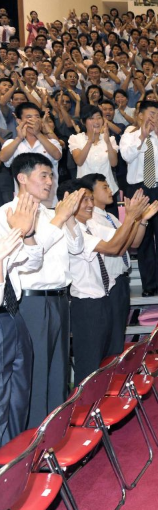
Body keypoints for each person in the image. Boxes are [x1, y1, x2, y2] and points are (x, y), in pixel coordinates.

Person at [0, 153, 84, 427]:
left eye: (52, 176)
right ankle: (34, 446)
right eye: (44, 176)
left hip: (60, 299)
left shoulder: (52, 213)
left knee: (58, 376)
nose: (50, 182)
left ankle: (57, 442)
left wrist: (68, 218)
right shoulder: (7, 214)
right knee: (35, 379)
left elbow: (77, 248)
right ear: (22, 179)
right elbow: (27, 258)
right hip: (31, 303)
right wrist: (59, 220)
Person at [59, 180, 153, 383]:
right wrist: (131, 217)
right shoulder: (72, 231)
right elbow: (112, 248)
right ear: (68, 201)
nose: (90, 204)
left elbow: (122, 246)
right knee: (90, 367)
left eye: (90, 199)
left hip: (104, 298)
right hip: (86, 305)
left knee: (110, 360)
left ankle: (105, 407)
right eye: (84, 200)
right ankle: (86, 412)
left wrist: (136, 219)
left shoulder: (91, 225)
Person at [84, 173, 154, 357]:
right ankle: (111, 381)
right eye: (105, 187)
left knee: (118, 335)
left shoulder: (110, 217)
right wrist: (133, 217)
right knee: (111, 341)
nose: (111, 191)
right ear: (91, 193)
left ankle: (117, 380)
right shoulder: (91, 220)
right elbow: (117, 246)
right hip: (109, 284)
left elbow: (133, 244)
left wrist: (141, 220)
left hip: (121, 280)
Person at [119, 100, 158, 297]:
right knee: (142, 240)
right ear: (140, 114)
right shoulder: (129, 137)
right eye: (151, 113)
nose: (154, 118)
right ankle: (149, 286)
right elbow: (127, 156)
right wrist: (142, 137)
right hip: (139, 191)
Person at [0, 192, 42, 446]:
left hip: (13, 315)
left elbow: (32, 261)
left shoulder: (6, 218)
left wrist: (26, 234)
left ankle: (14, 461)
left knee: (18, 396)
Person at [68, 106, 120, 217]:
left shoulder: (110, 139)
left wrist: (107, 142)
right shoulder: (76, 139)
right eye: (91, 118)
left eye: (98, 117)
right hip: (85, 193)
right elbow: (79, 161)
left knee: (112, 226)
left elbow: (114, 163)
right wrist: (90, 141)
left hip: (108, 191)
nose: (96, 121)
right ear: (83, 121)